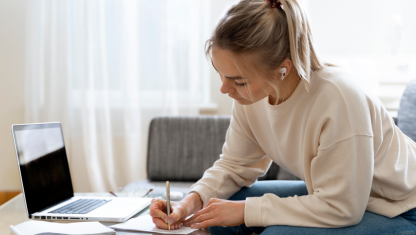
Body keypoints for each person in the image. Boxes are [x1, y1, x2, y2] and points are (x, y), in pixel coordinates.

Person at [149, 0, 416, 234]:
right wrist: (191, 201)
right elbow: (234, 166)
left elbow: (343, 208)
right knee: (214, 211)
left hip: (401, 210)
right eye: (221, 74)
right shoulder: (250, 96)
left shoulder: (339, 99)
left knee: (276, 231)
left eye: (238, 81)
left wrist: (247, 213)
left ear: (282, 70)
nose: (225, 89)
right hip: (343, 201)